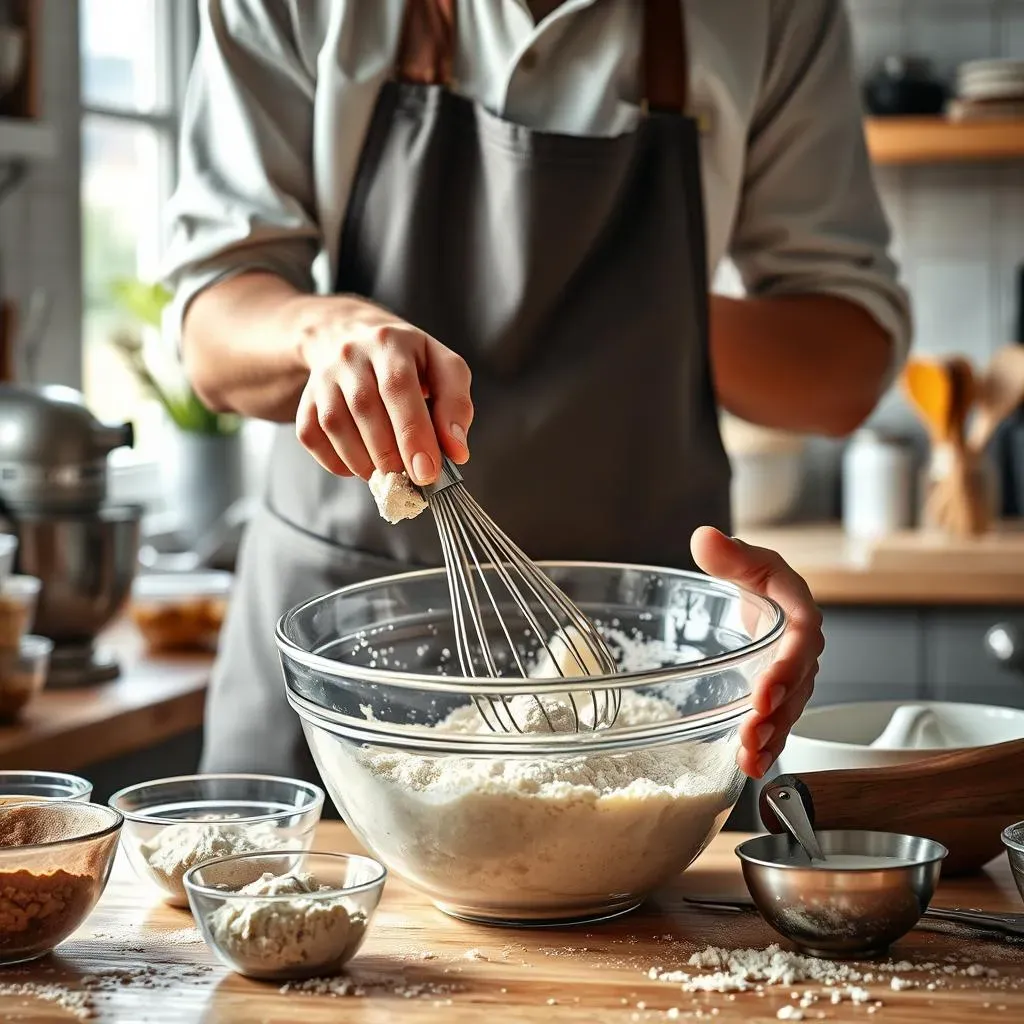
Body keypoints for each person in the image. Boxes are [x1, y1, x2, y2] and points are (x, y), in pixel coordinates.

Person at [164, 0, 909, 786]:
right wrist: (323, 334)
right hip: (341, 651)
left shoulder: (769, 15)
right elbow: (211, 334)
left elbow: (844, 369)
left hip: (638, 672)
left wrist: (652, 308)